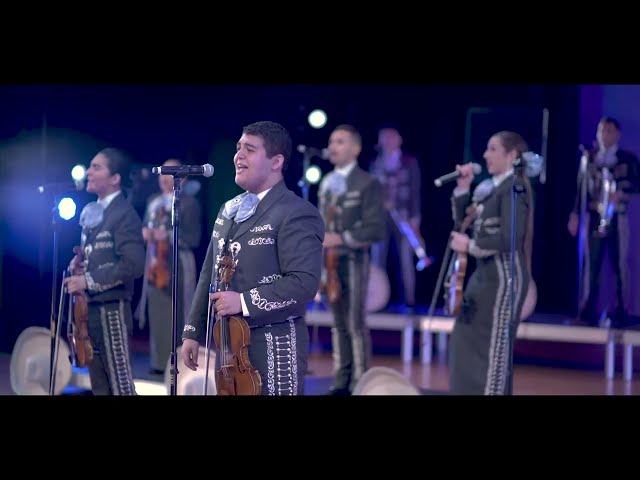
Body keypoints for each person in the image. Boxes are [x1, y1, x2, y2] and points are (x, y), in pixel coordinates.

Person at [181, 120, 324, 395]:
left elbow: (304, 283)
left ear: (276, 161)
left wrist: (243, 301)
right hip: (227, 349)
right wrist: (191, 331)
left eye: (250, 149)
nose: (238, 156)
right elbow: (208, 274)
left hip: (274, 346)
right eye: (238, 148)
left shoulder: (296, 212)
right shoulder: (228, 210)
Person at [448, 131, 534, 395]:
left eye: (493, 149)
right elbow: (463, 223)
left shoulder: (515, 187)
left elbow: (512, 236)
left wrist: (472, 246)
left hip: (504, 277)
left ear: (512, 156)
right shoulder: (492, 188)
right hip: (483, 276)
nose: (485, 155)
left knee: (495, 348)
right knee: (465, 337)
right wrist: (463, 189)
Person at [63, 147, 146, 395]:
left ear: (115, 178)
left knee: (120, 385)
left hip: (112, 310)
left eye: (96, 167)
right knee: (99, 386)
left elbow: (133, 264)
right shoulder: (94, 212)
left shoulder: (124, 214)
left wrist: (87, 281)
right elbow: (98, 257)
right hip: (89, 312)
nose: (89, 172)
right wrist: (78, 266)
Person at [318, 124, 386, 395]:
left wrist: (342, 238)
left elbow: (375, 228)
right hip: (329, 262)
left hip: (354, 260)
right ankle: (341, 379)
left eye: (341, 141)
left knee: (354, 322)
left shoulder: (367, 183)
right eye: (332, 141)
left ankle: (360, 380)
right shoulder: (325, 183)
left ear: (355, 148)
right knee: (337, 323)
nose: (333, 146)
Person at [567, 116, 640, 327]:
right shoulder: (589, 158)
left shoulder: (627, 159)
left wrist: (621, 192)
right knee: (591, 264)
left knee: (620, 264)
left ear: (617, 133)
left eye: (608, 131)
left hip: (618, 216)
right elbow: (581, 188)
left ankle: (621, 313)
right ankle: (586, 311)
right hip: (593, 215)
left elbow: (636, 184)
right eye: (601, 131)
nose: (604, 135)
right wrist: (574, 214)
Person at [139, 158, 202, 375]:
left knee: (178, 311)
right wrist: (146, 234)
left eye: (171, 173)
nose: (165, 179)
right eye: (163, 173)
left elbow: (193, 238)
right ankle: (158, 362)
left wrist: (166, 235)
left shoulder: (189, 202)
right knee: (157, 313)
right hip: (156, 265)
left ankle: (180, 363)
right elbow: (146, 228)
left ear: (182, 178)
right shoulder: (153, 201)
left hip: (178, 264)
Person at [369, 125, 422, 311]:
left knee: (405, 258)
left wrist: (415, 219)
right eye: (385, 137)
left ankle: (409, 300)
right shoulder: (376, 163)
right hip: (380, 217)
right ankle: (376, 299)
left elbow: (415, 192)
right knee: (377, 258)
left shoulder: (409, 162)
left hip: (403, 217)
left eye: (392, 137)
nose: (389, 141)